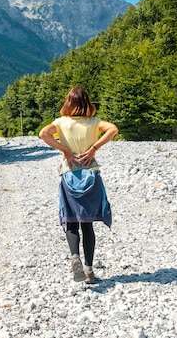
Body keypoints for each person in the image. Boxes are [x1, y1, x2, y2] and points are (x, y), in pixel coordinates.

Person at [39, 86, 118, 284]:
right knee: (87, 224)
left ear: (68, 102)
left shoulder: (61, 123)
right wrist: (93, 148)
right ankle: (89, 271)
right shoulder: (94, 122)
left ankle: (75, 257)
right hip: (91, 175)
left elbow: (43, 134)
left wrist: (65, 150)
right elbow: (113, 129)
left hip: (69, 175)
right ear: (87, 103)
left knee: (71, 221)